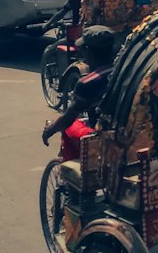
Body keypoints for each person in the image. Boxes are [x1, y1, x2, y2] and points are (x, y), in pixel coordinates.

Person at [41, 27, 117, 159]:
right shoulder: (122, 72)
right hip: (126, 132)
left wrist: (51, 129)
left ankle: (73, 170)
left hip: (103, 138)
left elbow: (68, 118)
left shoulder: (88, 83)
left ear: (87, 51)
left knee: (66, 127)